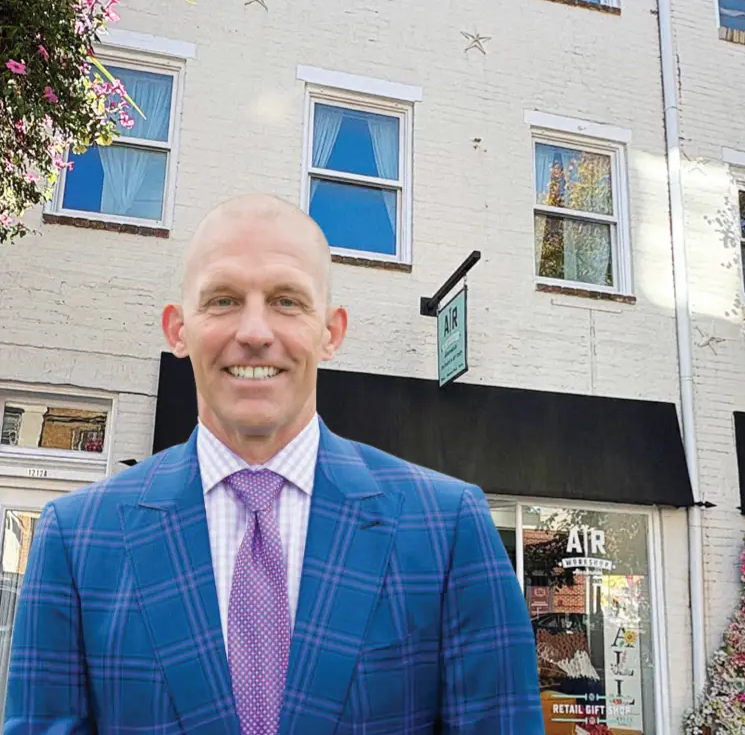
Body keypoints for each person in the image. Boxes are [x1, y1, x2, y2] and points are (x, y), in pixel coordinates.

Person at [3, 194, 544, 735]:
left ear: (331, 331)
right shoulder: (76, 541)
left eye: (287, 301)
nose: (255, 332)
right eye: (222, 300)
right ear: (178, 330)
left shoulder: (446, 529)